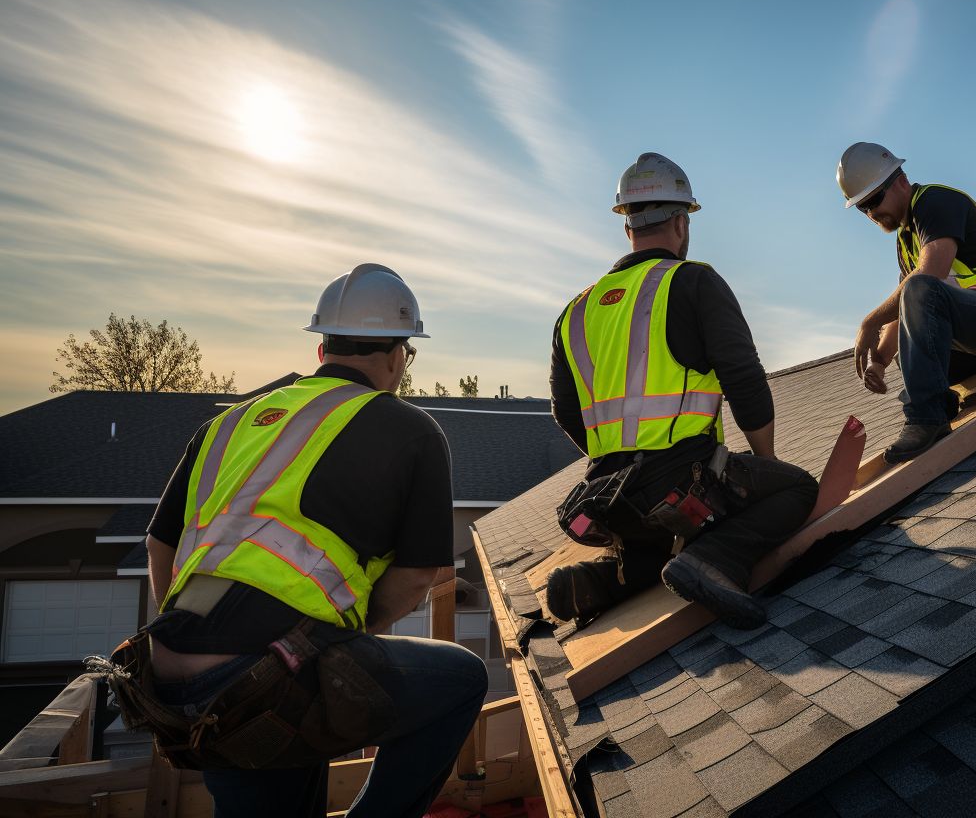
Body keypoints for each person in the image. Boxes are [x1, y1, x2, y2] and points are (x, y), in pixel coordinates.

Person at [122, 264, 486, 818]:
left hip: (170, 673)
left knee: (286, 770)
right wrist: (334, 642)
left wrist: (200, 643)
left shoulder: (229, 422)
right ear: (397, 356)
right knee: (461, 680)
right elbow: (415, 576)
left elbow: (160, 546)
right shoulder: (410, 429)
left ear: (323, 351)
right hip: (266, 673)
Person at [547, 153, 818, 630]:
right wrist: (767, 462)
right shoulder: (692, 282)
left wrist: (617, 458)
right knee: (796, 489)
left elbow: (566, 411)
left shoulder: (576, 311)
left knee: (654, 553)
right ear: (680, 221)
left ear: (626, 226)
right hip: (682, 482)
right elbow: (745, 379)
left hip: (610, 497)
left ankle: (604, 580)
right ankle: (712, 562)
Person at [837, 142, 976, 464]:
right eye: (862, 207)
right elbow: (910, 312)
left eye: (874, 200)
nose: (872, 213)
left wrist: (869, 322)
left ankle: (927, 418)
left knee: (919, 288)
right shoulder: (906, 238)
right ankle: (936, 403)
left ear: (901, 181)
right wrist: (880, 362)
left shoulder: (935, 201)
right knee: (911, 345)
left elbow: (928, 277)